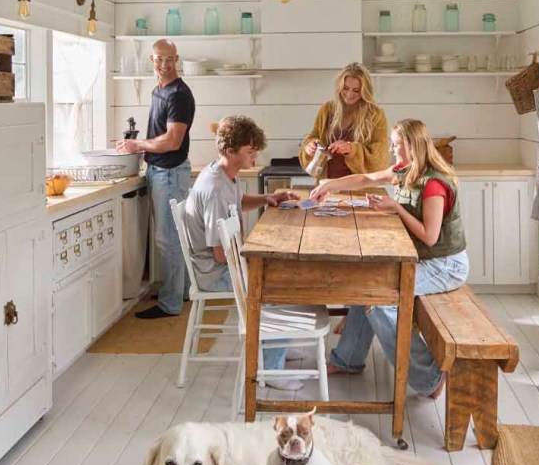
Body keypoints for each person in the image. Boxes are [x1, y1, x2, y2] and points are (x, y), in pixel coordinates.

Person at [310, 118, 469, 399]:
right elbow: (367, 178)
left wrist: (395, 207)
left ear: (411, 146)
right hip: (424, 261)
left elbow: (430, 237)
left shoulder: (433, 184)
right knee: (367, 282)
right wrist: (329, 185)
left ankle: (430, 378)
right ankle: (347, 359)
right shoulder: (405, 170)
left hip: (445, 266)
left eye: (395, 145)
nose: (392, 150)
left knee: (379, 299)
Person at [184, 115, 304, 390]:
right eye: (250, 151)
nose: (255, 156)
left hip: (226, 264)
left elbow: (237, 202)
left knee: (280, 271)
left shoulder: (225, 174)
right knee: (279, 282)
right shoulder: (214, 188)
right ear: (230, 151)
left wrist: (268, 199)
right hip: (215, 273)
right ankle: (271, 369)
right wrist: (256, 258)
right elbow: (220, 254)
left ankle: (277, 344)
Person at [117, 39, 194, 320]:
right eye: (159, 59)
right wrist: (141, 148)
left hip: (170, 172)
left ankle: (171, 303)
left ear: (177, 59)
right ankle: (182, 292)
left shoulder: (179, 95)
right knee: (173, 236)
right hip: (159, 171)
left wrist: (138, 145)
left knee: (168, 239)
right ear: (151, 59)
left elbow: (172, 141)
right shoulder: (158, 90)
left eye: (169, 58)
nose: (164, 64)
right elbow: (161, 134)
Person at [299, 63, 390, 179]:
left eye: (356, 90)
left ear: (365, 91)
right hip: (327, 184)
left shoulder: (375, 115)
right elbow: (313, 138)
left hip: (361, 186)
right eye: (345, 88)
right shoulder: (327, 110)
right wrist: (310, 146)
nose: (349, 94)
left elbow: (380, 157)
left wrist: (352, 149)